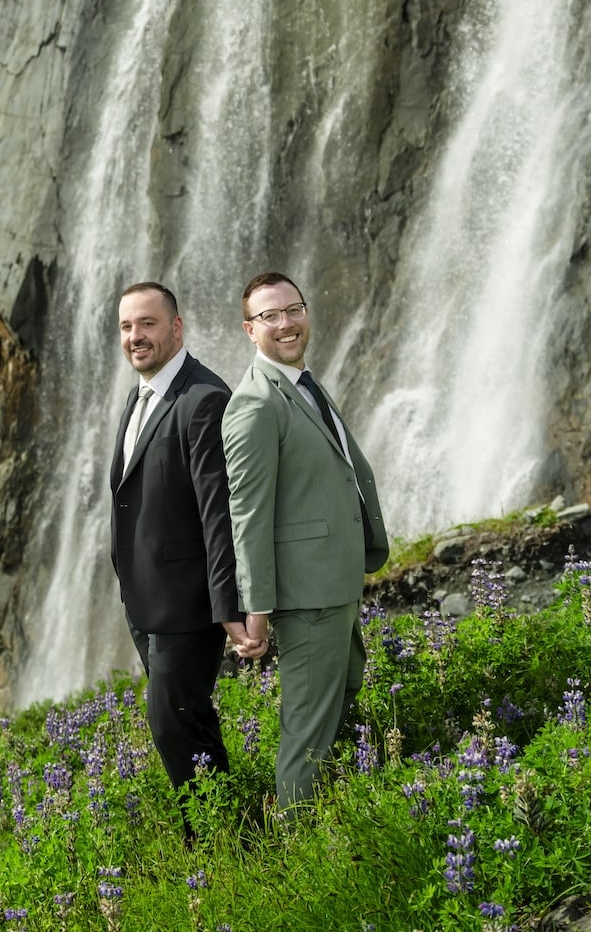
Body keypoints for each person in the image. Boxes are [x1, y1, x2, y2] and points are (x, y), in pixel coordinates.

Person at [220, 271, 390, 806]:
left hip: (333, 580)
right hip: (308, 594)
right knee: (307, 733)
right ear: (251, 330)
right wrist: (257, 611)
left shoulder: (301, 383)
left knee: (340, 703)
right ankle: (297, 852)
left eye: (293, 309)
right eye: (270, 316)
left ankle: (334, 817)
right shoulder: (254, 404)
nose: (287, 323)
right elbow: (247, 515)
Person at [107, 280, 248, 813]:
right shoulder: (142, 393)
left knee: (171, 723)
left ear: (176, 327)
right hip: (145, 599)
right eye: (126, 326)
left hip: (188, 604)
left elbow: (220, 510)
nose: (135, 336)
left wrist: (228, 604)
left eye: (147, 323)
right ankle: (230, 840)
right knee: (187, 720)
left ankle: (222, 840)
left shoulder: (203, 397)